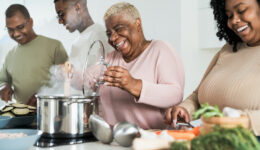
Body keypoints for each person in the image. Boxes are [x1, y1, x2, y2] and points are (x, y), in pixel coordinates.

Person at [165, 0, 260, 136]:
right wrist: (185, 109)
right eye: (229, 16)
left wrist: (244, 121)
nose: (234, 21)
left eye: (241, 10)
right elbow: (198, 96)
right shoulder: (227, 50)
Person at [97, 2, 185, 129]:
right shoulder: (110, 58)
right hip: (115, 141)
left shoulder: (160, 50)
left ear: (137, 23)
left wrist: (133, 85)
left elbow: (175, 94)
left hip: (154, 140)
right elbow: (87, 80)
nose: (113, 38)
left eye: (119, 29)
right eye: (109, 33)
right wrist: (67, 72)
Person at [0, 4, 68, 106]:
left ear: (31, 22)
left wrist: (44, 96)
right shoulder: (10, 55)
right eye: (10, 30)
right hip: (20, 119)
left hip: (51, 115)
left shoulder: (54, 46)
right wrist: (3, 87)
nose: (16, 34)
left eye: (20, 27)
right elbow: (3, 81)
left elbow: (68, 83)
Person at [54, 0, 113, 69]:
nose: (60, 21)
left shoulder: (102, 36)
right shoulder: (76, 43)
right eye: (58, 17)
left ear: (77, 8)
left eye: (61, 14)